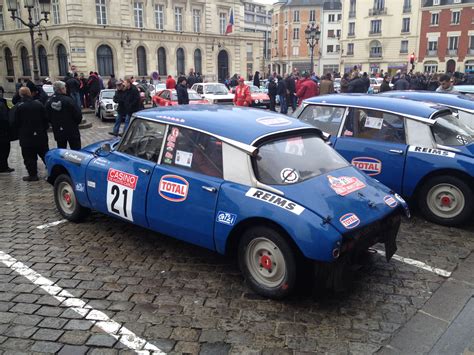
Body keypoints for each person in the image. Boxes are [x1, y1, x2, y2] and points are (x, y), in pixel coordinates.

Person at [10, 87, 49, 181]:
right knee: (45, 154)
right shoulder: (38, 104)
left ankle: (33, 175)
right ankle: (52, 170)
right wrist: (44, 128)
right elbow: (46, 118)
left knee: (29, 157)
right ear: (30, 93)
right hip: (40, 135)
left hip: (26, 136)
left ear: (20, 95)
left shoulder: (18, 106)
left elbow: (13, 122)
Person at [45, 81, 83, 150]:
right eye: (64, 87)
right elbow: (78, 114)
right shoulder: (68, 100)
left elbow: (47, 116)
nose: (66, 89)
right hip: (71, 130)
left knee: (61, 150)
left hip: (58, 130)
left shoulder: (49, 101)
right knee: (76, 151)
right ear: (61, 89)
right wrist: (75, 123)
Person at [0, 86, 13, 173]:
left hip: (4, 129)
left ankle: (4, 166)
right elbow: (4, 117)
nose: (0, 93)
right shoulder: (2, 103)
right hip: (2, 129)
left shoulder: (4, 101)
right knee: (4, 148)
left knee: (5, 149)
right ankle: (3, 167)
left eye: (1, 92)